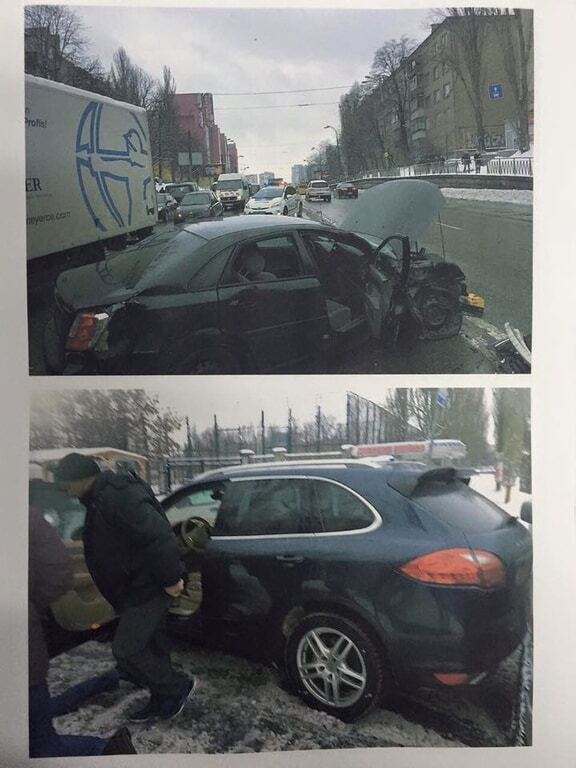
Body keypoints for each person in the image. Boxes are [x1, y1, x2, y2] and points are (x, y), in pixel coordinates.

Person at [54, 453, 196, 723]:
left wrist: (171, 579)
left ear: (82, 478)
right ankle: (163, 696)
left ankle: (176, 687)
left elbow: (158, 535)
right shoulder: (101, 497)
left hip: (148, 587)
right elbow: (123, 535)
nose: (64, 490)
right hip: (134, 587)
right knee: (153, 643)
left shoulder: (116, 496)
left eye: (65, 484)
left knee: (126, 650)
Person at [28, 504, 136, 756]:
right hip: (23, 659)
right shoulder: (25, 514)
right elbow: (58, 572)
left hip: (17, 661)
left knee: (39, 745)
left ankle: (108, 752)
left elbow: (58, 573)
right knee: (40, 722)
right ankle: (109, 681)